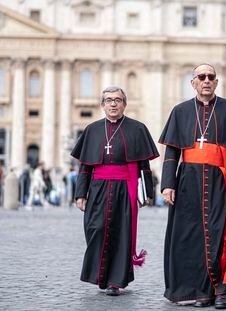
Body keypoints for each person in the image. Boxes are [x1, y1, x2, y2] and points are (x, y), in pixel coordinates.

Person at [160, 64, 226, 309]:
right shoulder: (180, 111)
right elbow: (172, 151)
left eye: (211, 77)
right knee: (190, 236)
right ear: (193, 83)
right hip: (188, 180)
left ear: (216, 82)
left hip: (221, 179)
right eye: (201, 77)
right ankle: (199, 290)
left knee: (220, 233)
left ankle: (221, 291)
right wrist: (168, 184)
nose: (206, 80)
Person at [71, 86, 159, 296]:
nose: (113, 104)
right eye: (109, 100)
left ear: (124, 104)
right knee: (96, 229)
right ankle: (99, 275)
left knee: (122, 233)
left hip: (124, 188)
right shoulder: (92, 130)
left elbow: (144, 164)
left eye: (117, 100)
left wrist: (147, 192)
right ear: (102, 105)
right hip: (98, 188)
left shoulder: (137, 129)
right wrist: (80, 194)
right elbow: (85, 166)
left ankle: (115, 281)